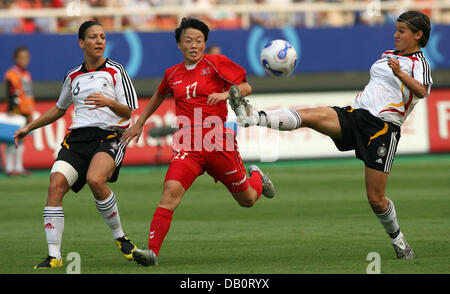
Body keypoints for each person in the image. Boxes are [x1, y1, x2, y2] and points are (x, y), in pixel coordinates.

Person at [229, 11, 432, 259]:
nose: (395, 34)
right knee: (310, 116)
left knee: (376, 199)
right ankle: (251, 117)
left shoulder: (419, 63)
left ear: (418, 34)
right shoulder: (388, 56)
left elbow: (422, 91)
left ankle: (400, 243)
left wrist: (401, 74)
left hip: (382, 130)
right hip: (356, 114)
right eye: (396, 29)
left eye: (401, 31)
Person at [120, 17, 275, 266]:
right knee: (170, 192)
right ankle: (152, 252)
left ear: (205, 43)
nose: (194, 45)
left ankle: (256, 178)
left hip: (218, 143)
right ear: (179, 45)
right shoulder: (172, 74)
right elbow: (159, 95)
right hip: (188, 145)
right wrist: (139, 122)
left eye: (199, 41)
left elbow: (246, 87)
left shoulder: (216, 64)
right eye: (188, 41)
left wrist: (226, 93)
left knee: (246, 200)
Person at [14, 20, 139, 269]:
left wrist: (108, 103)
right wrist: (29, 127)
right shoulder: (73, 76)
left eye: (102, 37)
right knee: (55, 185)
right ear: (81, 43)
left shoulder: (116, 71)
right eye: (93, 37)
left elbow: (129, 112)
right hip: (77, 140)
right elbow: (60, 109)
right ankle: (54, 256)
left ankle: (121, 238)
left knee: (95, 179)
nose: (99, 41)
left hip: (109, 136)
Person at [4, 46, 35, 177]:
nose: (25, 60)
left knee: (21, 141)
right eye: (22, 58)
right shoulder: (12, 74)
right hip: (15, 110)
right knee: (12, 140)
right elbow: (10, 92)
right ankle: (9, 168)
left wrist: (29, 113)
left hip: (25, 111)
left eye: (26, 57)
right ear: (16, 59)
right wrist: (10, 109)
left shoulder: (26, 74)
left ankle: (18, 167)